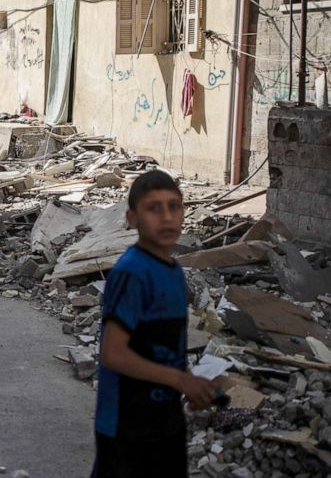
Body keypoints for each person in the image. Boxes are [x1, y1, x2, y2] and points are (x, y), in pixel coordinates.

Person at [91, 170, 217, 478]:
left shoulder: (173, 272)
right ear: (132, 218)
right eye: (153, 208)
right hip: (125, 425)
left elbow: (164, 346)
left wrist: (190, 384)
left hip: (165, 420)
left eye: (174, 206)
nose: (167, 217)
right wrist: (179, 380)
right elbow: (113, 354)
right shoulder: (131, 273)